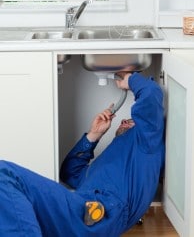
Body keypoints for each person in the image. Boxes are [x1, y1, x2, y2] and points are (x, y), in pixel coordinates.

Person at [0, 72, 165, 237]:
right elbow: (70, 173)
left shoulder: (145, 142)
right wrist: (93, 135)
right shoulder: (107, 162)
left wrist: (130, 79)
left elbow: (151, 93)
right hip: (81, 206)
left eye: (130, 121)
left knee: (3, 175)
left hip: (101, 209)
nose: (123, 121)